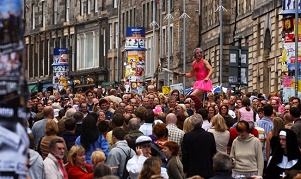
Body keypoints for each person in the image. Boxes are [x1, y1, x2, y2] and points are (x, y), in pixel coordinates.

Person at [182, 114, 217, 178]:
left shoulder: (187, 136)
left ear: (192, 123)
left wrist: (185, 169)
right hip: (207, 168)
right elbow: (213, 152)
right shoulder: (209, 135)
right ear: (202, 122)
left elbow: (185, 154)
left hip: (192, 169)